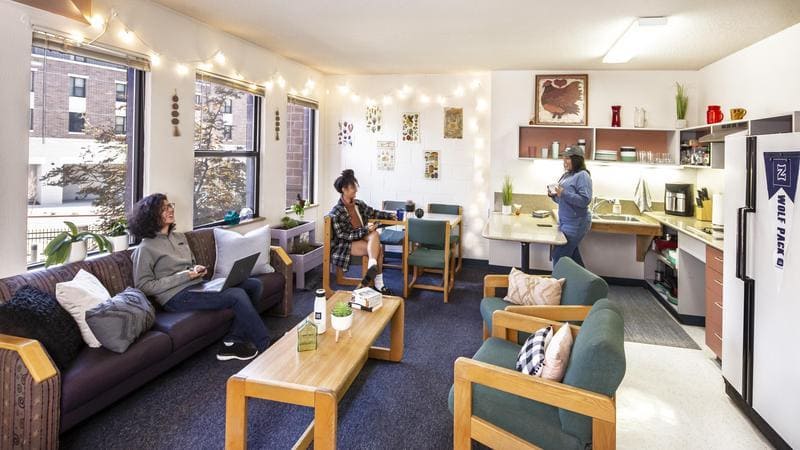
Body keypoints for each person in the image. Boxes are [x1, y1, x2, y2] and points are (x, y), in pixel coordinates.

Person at [129, 193, 268, 361]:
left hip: (198, 285)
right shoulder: (145, 249)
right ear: (151, 216)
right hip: (174, 297)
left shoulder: (179, 237)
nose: (170, 210)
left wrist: (197, 269)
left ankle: (233, 341)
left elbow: (189, 265)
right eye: (163, 209)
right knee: (236, 295)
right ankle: (265, 344)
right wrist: (185, 276)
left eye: (169, 205)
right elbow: (143, 285)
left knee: (253, 285)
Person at [329, 169, 396, 294]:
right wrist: (365, 230)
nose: (356, 190)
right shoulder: (336, 211)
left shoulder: (358, 204)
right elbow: (343, 235)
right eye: (353, 187)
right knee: (378, 249)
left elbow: (373, 212)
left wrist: (390, 216)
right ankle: (379, 284)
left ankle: (372, 265)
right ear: (344, 189)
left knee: (375, 234)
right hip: (346, 243)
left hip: (361, 236)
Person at [549, 146, 593, 267]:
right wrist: (553, 195)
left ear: (577, 159)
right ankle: (585, 284)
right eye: (564, 158)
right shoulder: (567, 175)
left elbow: (585, 200)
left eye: (568, 158)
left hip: (576, 222)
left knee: (559, 256)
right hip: (565, 221)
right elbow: (563, 200)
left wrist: (563, 193)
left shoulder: (583, 175)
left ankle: (557, 285)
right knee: (572, 257)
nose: (564, 161)